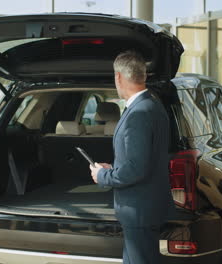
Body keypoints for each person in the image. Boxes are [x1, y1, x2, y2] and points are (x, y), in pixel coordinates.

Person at [89, 51, 171, 264]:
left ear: (118, 77)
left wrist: (103, 175)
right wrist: (114, 167)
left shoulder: (138, 114)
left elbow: (136, 168)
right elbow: (144, 158)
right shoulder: (152, 105)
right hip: (146, 208)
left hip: (139, 211)